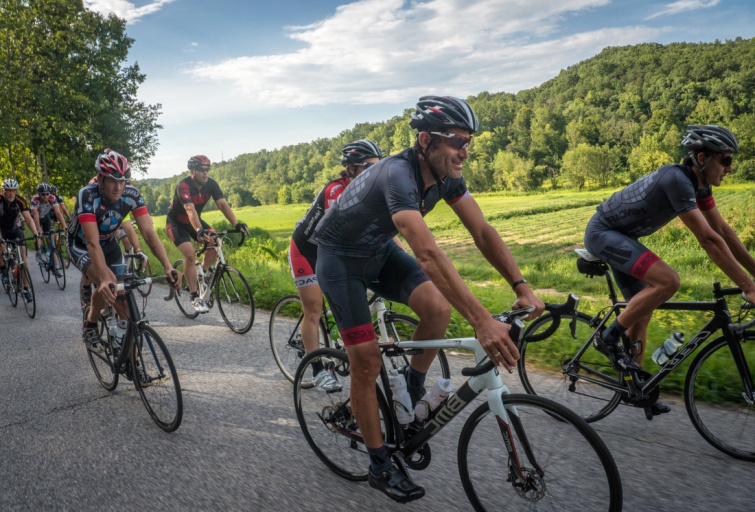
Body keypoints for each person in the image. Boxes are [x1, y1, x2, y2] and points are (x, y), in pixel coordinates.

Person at [313, 96, 544, 503]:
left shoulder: (447, 175)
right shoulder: (398, 174)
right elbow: (427, 253)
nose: (464, 152)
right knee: (366, 361)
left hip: (379, 251)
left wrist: (520, 285)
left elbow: (483, 231)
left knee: (437, 309)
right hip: (341, 261)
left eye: (469, 142)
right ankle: (380, 464)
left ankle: (409, 387)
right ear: (426, 140)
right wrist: (481, 322)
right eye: (457, 141)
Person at [584, 125, 755, 415]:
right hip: (603, 233)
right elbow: (709, 240)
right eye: (725, 160)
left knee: (643, 308)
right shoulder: (676, 179)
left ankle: (634, 386)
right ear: (703, 158)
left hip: (624, 238)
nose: (730, 168)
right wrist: (748, 286)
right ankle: (607, 337)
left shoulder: (699, 186)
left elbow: (723, 231)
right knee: (668, 282)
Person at [288, 140, 382, 391]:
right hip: (306, 250)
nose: (376, 171)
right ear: (351, 169)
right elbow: (341, 233)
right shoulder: (335, 191)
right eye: (369, 167)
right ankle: (318, 369)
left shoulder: (373, 190)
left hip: (332, 252)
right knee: (314, 308)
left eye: (378, 166)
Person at [68, 149, 181, 351]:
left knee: (124, 296)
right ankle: (90, 325)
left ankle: (126, 349)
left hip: (109, 243)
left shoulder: (132, 194)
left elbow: (149, 233)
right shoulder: (87, 194)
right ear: (101, 179)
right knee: (109, 283)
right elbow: (92, 242)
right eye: (112, 181)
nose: (118, 187)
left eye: (122, 181)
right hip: (81, 245)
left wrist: (167, 266)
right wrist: (103, 278)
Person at [165, 155, 249, 313]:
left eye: (207, 170)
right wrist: (198, 230)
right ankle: (194, 297)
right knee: (190, 255)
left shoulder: (211, 184)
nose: (205, 173)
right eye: (202, 170)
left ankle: (202, 274)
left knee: (216, 242)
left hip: (195, 221)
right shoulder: (183, 185)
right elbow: (189, 209)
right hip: (177, 223)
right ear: (193, 171)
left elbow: (223, 204)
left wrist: (236, 224)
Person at [0, 178, 42, 303]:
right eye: (8, 190)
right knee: (0, 249)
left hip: (14, 229)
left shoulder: (20, 201)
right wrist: (1, 240)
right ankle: (3, 270)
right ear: (3, 191)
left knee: (23, 258)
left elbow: (29, 219)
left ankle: (26, 289)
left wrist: (36, 234)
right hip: (1, 229)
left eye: (13, 190)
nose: (11, 193)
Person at [30, 183, 67, 275]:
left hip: (46, 217)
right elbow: (35, 216)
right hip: (36, 218)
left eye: (47, 194)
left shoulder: (52, 198)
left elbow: (58, 213)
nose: (46, 196)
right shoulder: (34, 200)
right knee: (38, 236)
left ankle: (56, 266)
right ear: (39, 194)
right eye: (43, 194)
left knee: (51, 243)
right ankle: (38, 250)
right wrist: (39, 230)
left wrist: (65, 226)